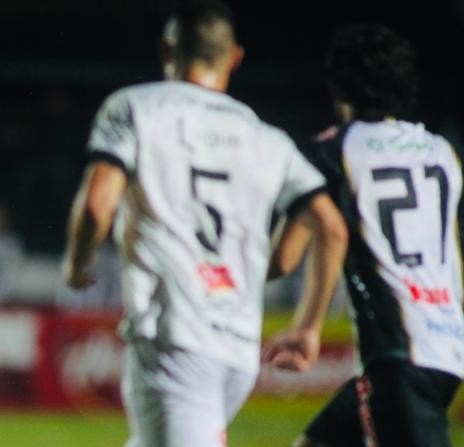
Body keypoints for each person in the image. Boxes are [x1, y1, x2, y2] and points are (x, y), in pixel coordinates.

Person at [63, 2, 349, 446]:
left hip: (177, 335)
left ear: (166, 51)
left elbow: (98, 204)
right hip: (238, 343)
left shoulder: (135, 108)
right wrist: (308, 326)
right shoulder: (266, 137)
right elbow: (330, 227)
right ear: (234, 58)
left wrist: (78, 260)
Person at [292, 24, 464, 447]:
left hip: (396, 351)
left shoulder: (338, 150)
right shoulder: (441, 152)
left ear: (339, 87)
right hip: (448, 346)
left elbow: (286, 255)